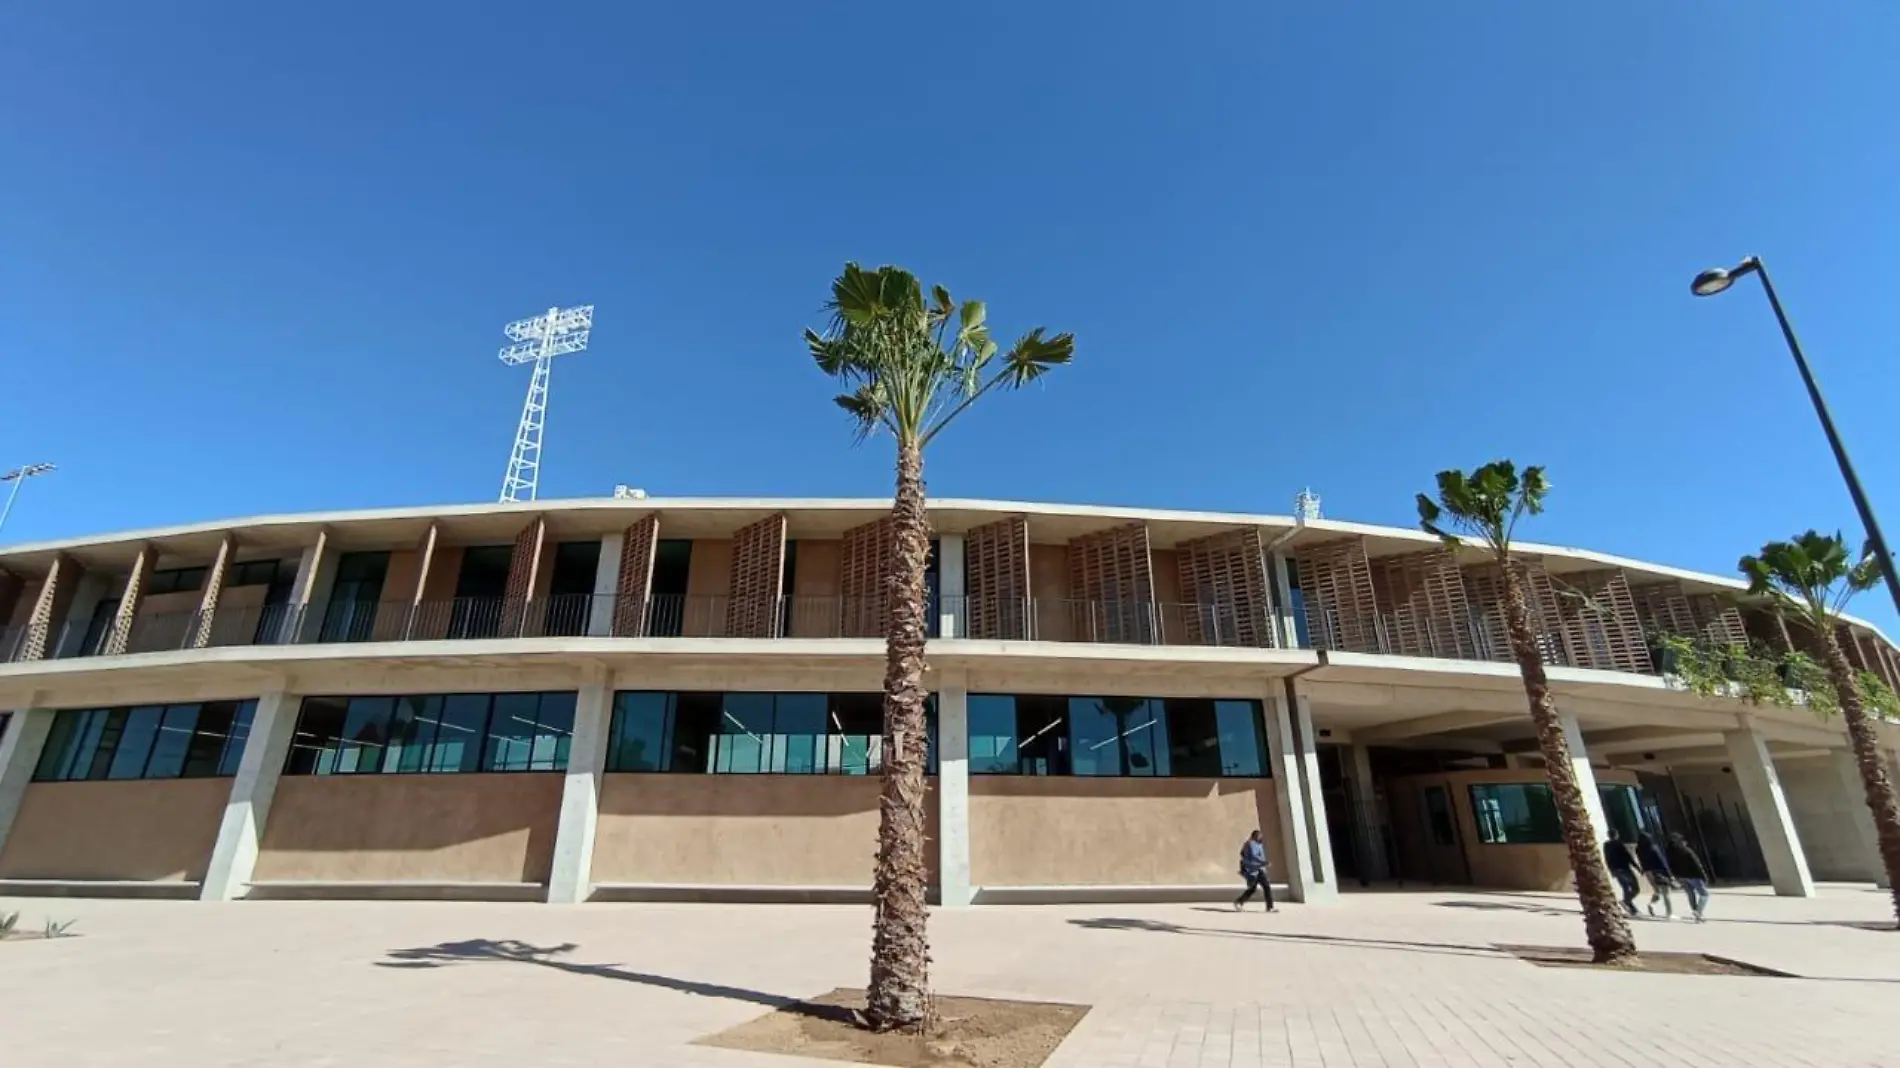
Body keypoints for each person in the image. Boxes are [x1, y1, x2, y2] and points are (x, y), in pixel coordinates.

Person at [1665, 831, 1710, 923]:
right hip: (1694, 876)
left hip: (1682, 877)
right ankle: (1698, 912)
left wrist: (1675, 876)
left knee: (1690, 894)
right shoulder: (1686, 850)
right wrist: (1704, 876)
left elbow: (1670, 866)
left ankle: (1697, 914)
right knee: (1704, 894)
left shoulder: (1670, 853)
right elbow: (1697, 863)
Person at [1635, 831, 1674, 919]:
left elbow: (1641, 861)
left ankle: (1652, 904)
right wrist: (1669, 874)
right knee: (1665, 893)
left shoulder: (1638, 849)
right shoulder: (1653, 848)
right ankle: (1669, 913)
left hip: (1648, 872)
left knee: (1657, 891)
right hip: (1659, 871)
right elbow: (1662, 861)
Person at [1234, 829, 1275, 913]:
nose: (1261, 837)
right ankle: (1239, 901)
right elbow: (1253, 856)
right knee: (1256, 888)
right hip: (1253, 870)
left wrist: (1263, 865)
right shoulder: (1250, 844)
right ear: (1255, 836)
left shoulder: (1258, 844)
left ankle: (1269, 907)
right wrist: (1264, 862)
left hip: (1259, 869)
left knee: (1263, 887)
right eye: (1260, 835)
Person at [1603, 830, 1641, 916]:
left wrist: (1611, 870)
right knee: (1635, 888)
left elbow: (1607, 859)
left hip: (1616, 870)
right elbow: (1628, 856)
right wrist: (1637, 867)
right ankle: (1626, 902)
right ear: (1617, 835)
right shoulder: (1619, 844)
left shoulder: (1606, 845)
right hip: (1624, 869)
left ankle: (1632, 908)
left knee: (1625, 888)